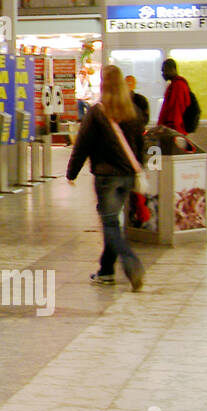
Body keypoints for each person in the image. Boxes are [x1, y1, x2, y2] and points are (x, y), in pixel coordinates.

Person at [66, 64, 146, 291]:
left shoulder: (97, 112)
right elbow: (140, 145)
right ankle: (106, 272)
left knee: (110, 224)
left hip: (106, 177)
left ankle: (132, 264)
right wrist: (140, 168)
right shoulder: (133, 111)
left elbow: (82, 145)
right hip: (128, 175)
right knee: (113, 222)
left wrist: (72, 172)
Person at [156, 57, 193, 134]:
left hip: (174, 130)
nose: (163, 74)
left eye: (164, 70)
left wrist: (171, 130)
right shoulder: (174, 85)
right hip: (172, 130)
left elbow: (176, 111)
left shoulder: (178, 86)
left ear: (172, 69)